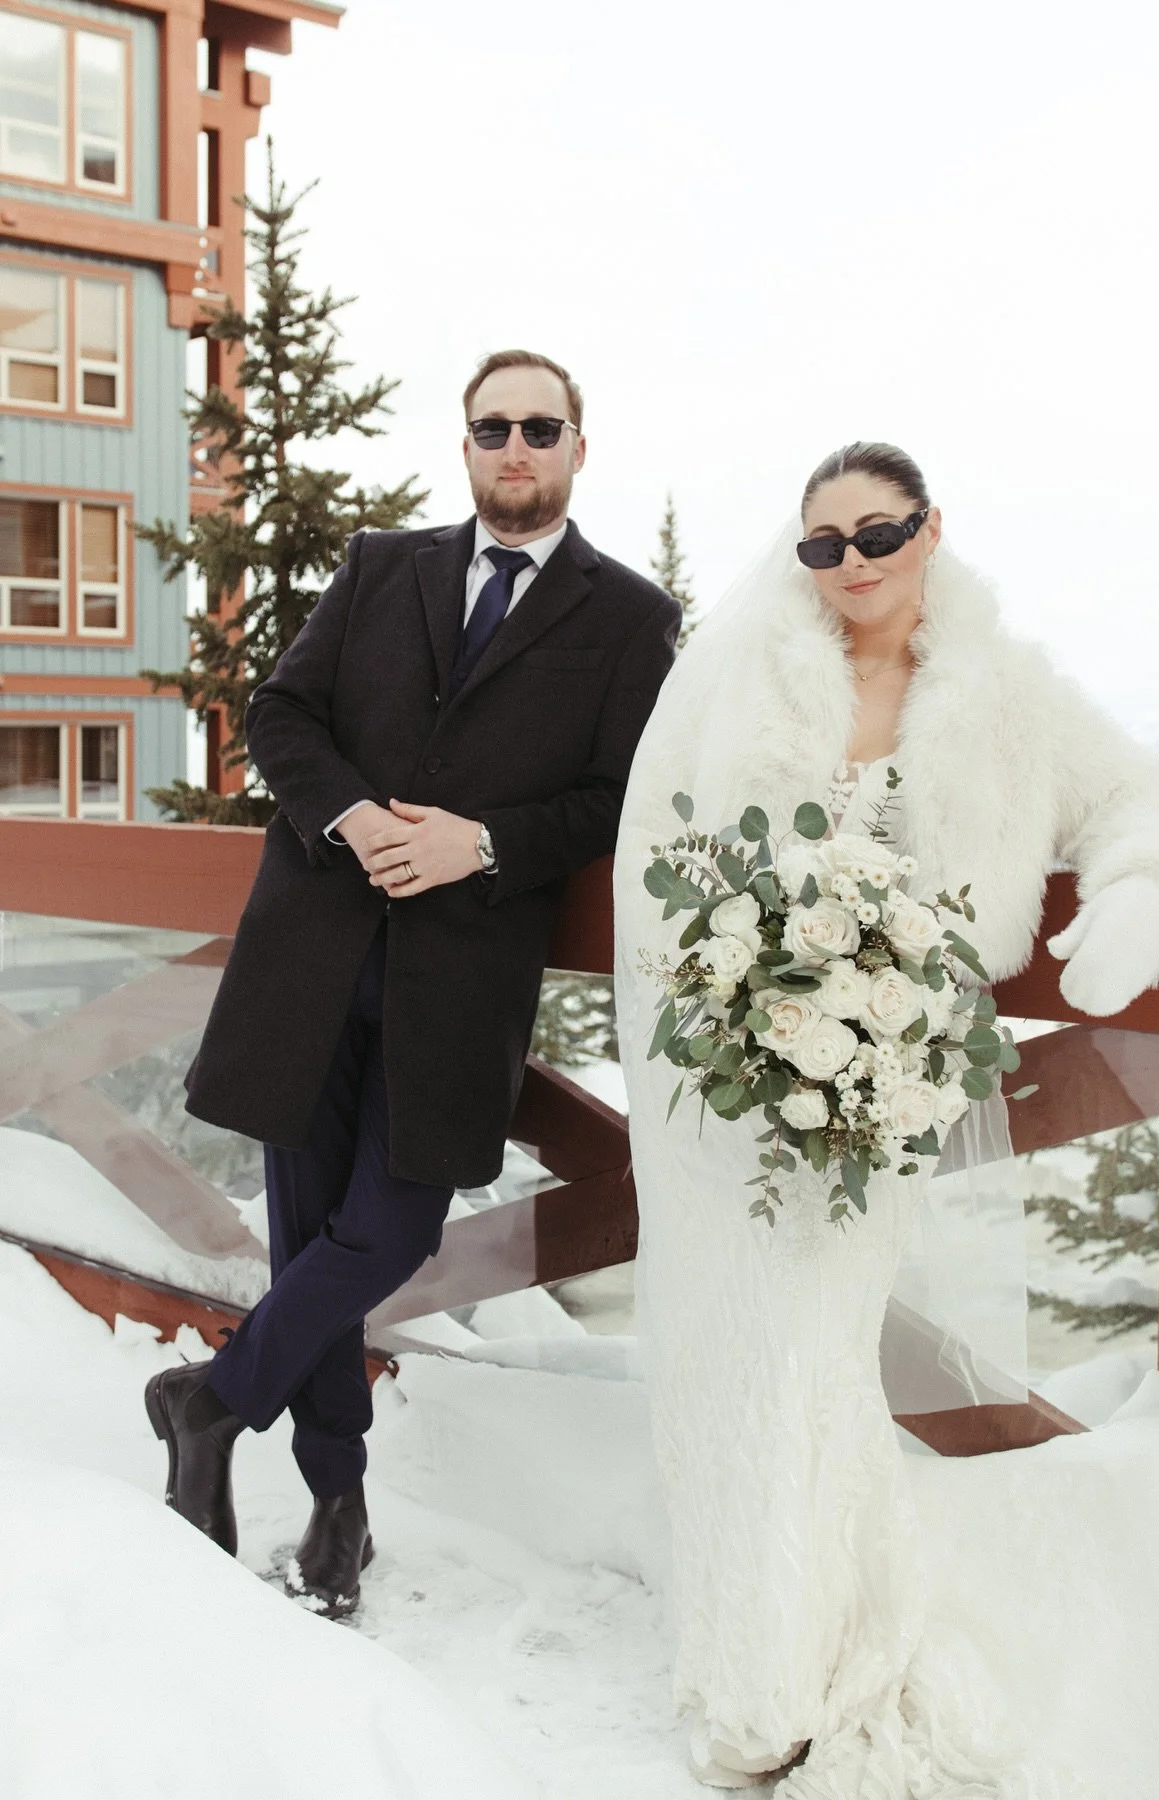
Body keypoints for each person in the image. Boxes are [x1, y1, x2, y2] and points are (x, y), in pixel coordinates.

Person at [613, 442, 1159, 1793]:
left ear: (930, 528)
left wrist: (1141, 899)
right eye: (823, 544)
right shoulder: (738, 676)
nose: (852, 564)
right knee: (736, 1362)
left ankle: (788, 1670)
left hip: (875, 1094)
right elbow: (657, 861)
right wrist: (727, 1010)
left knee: (811, 1362)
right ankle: (751, 1654)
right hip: (728, 1089)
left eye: (877, 533)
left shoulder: (1008, 698)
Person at [147, 349, 681, 1616]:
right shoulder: (383, 569)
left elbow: (616, 800)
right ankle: (339, 1503)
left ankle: (208, 1402)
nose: (515, 446)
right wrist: (347, 819)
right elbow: (282, 716)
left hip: (461, 980)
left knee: (388, 1230)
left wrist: (478, 843)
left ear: (577, 449)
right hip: (311, 959)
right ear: (465, 444)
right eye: (493, 426)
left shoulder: (629, 616)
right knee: (308, 1232)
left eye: (539, 427)